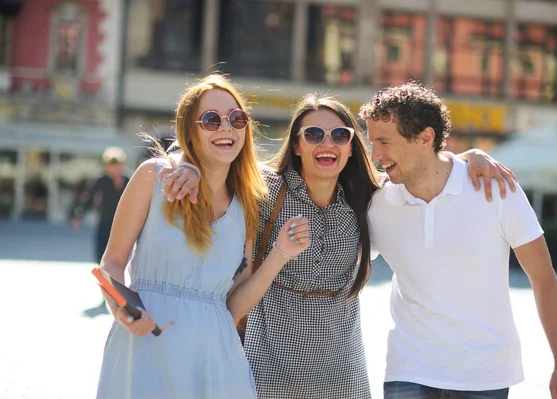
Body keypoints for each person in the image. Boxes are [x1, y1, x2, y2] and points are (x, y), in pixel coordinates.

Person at [160, 90, 516, 398]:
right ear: (297, 145)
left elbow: (423, 165)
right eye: (313, 134)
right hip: (267, 377)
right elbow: (215, 158)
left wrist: (470, 156)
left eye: (339, 135)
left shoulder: (370, 199)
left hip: (344, 381)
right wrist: (186, 167)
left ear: (350, 148)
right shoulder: (264, 192)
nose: (326, 143)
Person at [95, 74, 309, 398]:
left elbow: (233, 307)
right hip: (146, 346)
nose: (227, 127)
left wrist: (280, 254)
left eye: (237, 119)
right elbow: (112, 261)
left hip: (216, 357)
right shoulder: (153, 178)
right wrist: (121, 308)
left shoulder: (246, 206)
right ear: (190, 132)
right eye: (211, 120)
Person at [362, 82, 557, 399]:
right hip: (408, 369)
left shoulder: (496, 189)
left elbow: (543, 278)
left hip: (484, 374)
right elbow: (344, 268)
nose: (375, 155)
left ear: (425, 138)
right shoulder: (379, 205)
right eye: (372, 142)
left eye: (384, 142)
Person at [71, 147, 129, 315]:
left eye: (117, 165)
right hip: (103, 227)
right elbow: (89, 199)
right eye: (110, 165)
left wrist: (120, 187)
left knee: (119, 263)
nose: (113, 169)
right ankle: (106, 297)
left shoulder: (128, 180)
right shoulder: (101, 181)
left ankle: (120, 297)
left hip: (121, 229)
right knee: (101, 262)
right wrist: (79, 215)